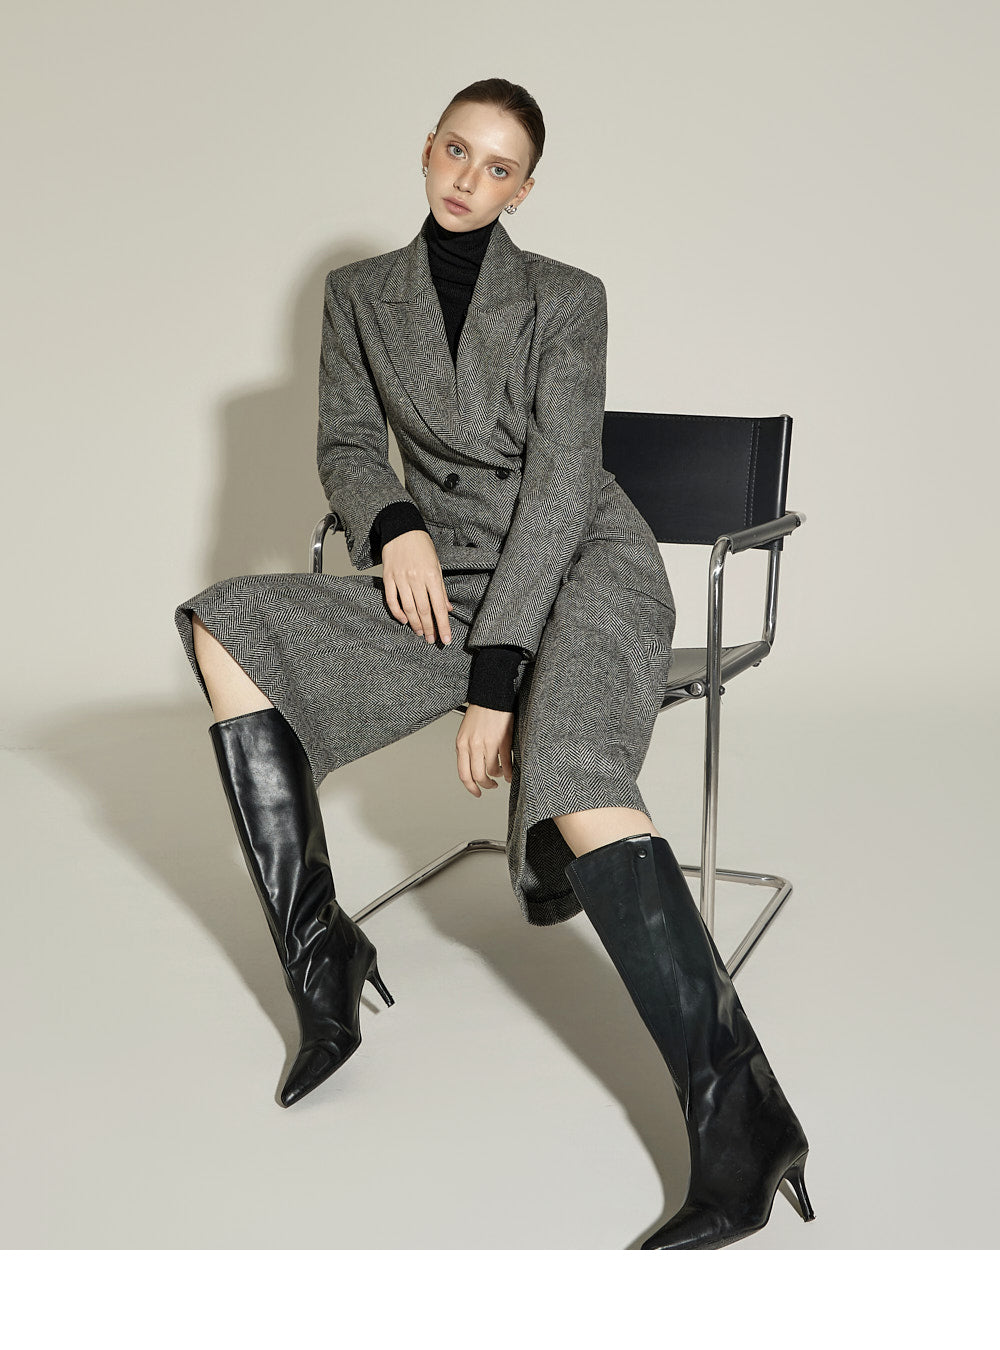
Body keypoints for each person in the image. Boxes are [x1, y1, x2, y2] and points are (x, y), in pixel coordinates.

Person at [174, 77, 813, 1249]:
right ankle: (323, 958)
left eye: (499, 167)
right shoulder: (358, 294)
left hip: (585, 567)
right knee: (228, 620)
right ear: (426, 151)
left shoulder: (567, 298)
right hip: (449, 577)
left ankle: (745, 1119)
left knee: (569, 763)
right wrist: (392, 525)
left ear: (525, 188)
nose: (470, 179)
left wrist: (495, 678)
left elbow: (563, 484)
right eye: (456, 152)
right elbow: (346, 442)